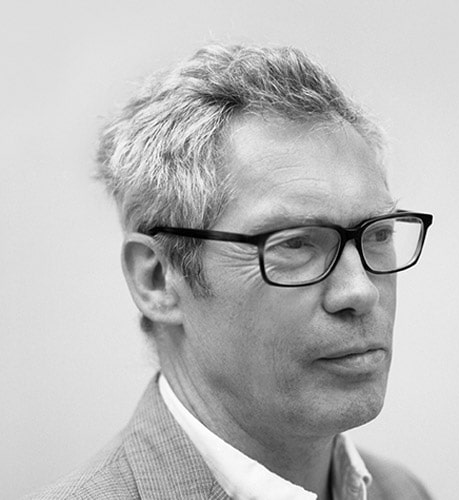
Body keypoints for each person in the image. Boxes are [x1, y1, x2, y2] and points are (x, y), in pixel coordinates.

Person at [26, 44, 434, 500]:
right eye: (294, 243)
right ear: (156, 280)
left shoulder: (402, 491)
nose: (359, 291)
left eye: (378, 234)